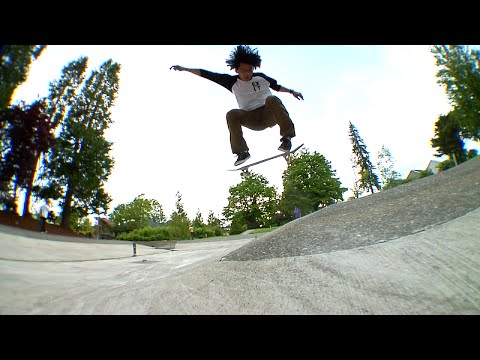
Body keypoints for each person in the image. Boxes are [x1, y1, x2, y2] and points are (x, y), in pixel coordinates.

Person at [170, 45, 304, 166]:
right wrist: (184, 69)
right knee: (232, 114)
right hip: (251, 119)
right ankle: (242, 152)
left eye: (250, 70)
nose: (247, 74)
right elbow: (207, 74)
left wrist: (292, 92)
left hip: (268, 114)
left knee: (272, 99)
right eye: (243, 70)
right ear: (236, 70)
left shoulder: (261, 78)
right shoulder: (231, 82)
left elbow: (277, 87)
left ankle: (287, 138)